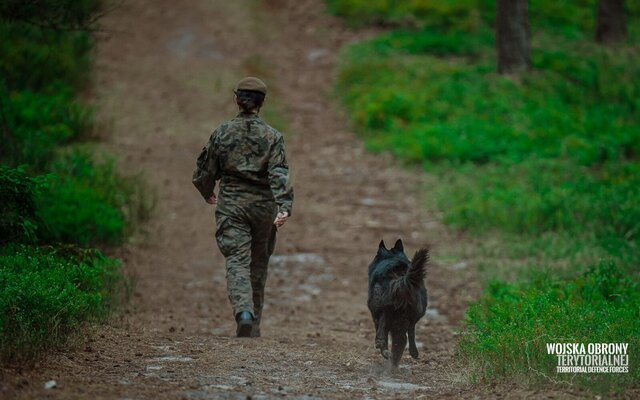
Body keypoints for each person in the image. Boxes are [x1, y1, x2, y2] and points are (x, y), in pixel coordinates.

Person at [192, 77, 294, 337]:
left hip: (232, 207)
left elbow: (205, 170)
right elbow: (279, 174)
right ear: (262, 103)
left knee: (237, 261)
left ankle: (243, 313)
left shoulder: (222, 132)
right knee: (259, 264)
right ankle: (255, 325)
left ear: (237, 99)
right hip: (264, 208)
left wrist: (206, 191)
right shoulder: (273, 136)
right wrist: (283, 205)